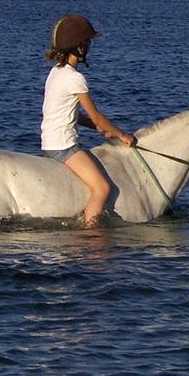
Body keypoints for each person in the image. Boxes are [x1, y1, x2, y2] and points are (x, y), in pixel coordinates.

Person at [41, 13, 136, 226]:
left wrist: (98, 129)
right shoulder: (75, 78)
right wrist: (122, 135)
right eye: (88, 42)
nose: (90, 47)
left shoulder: (56, 72)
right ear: (80, 47)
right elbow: (97, 115)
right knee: (102, 188)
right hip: (63, 145)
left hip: (48, 141)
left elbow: (73, 115)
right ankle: (90, 233)